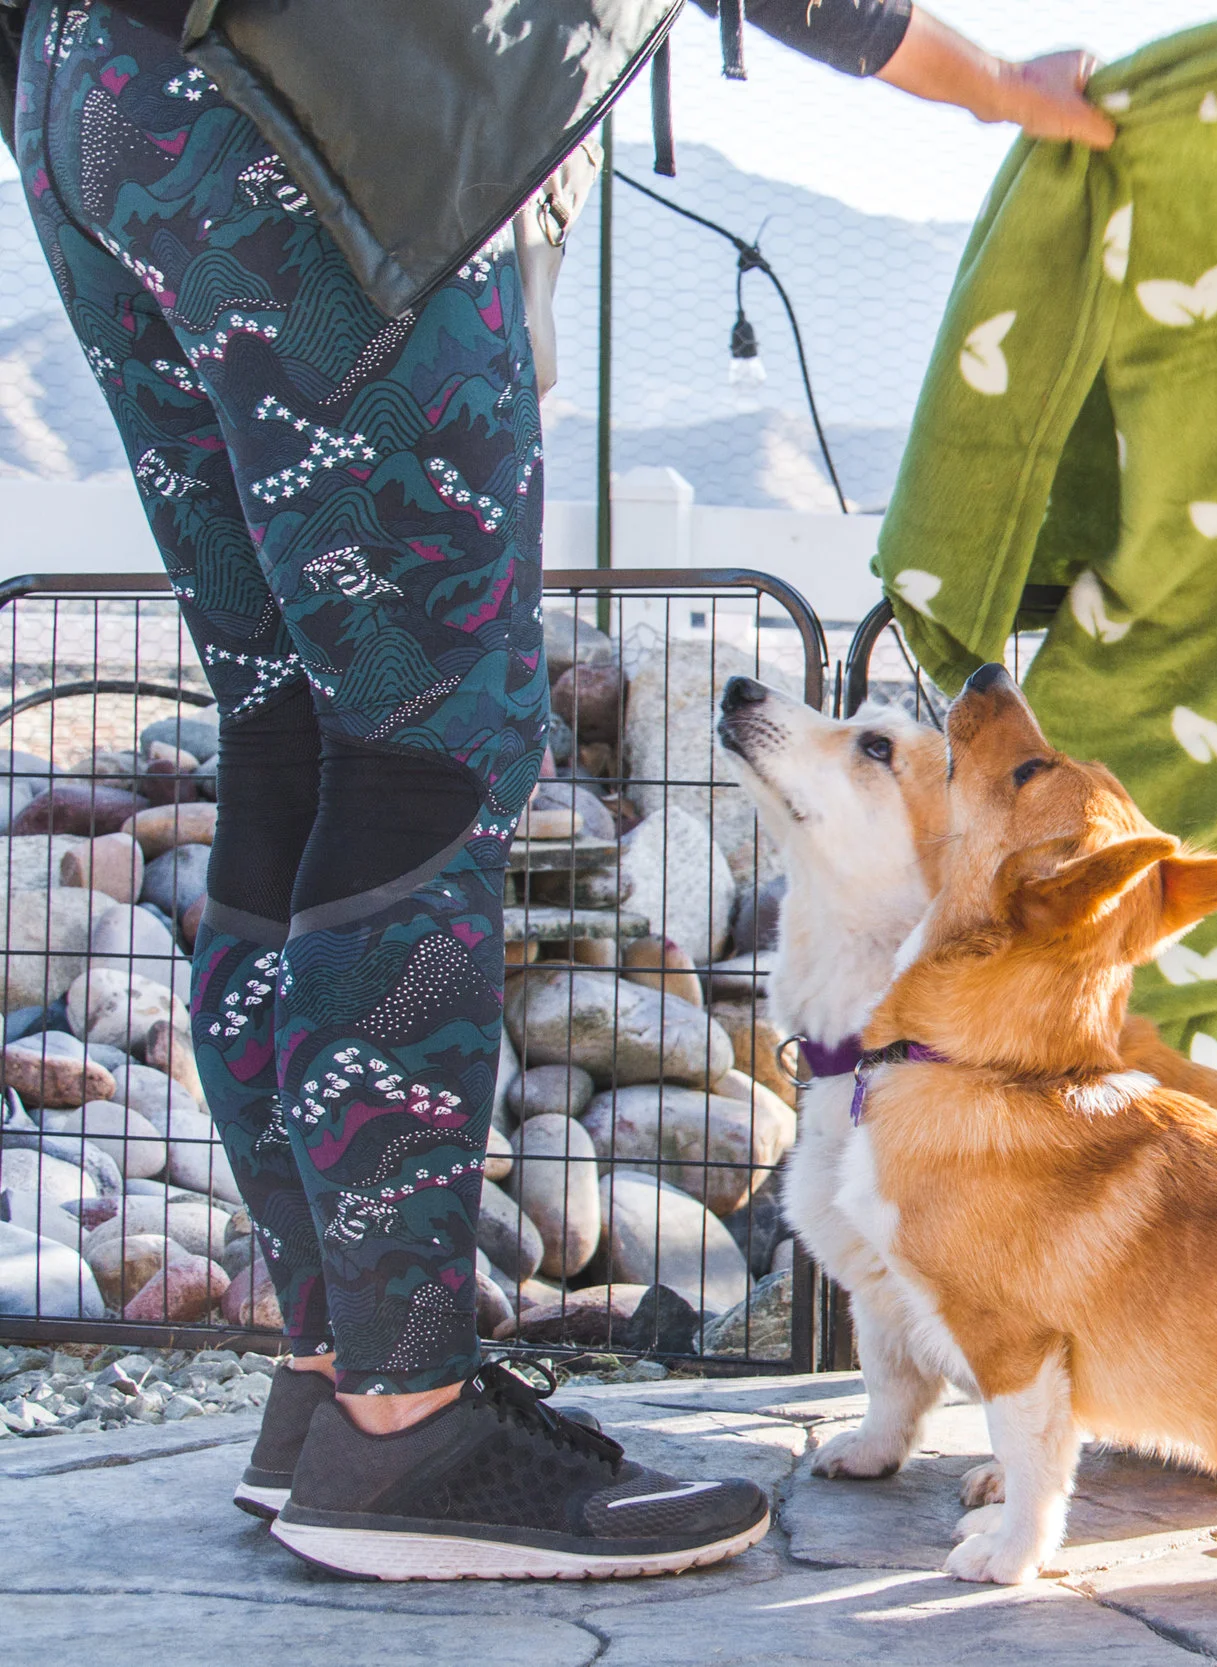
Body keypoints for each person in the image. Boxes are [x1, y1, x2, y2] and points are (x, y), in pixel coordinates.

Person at [10, 0, 1108, 1581]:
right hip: (320, 120)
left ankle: (339, 1383)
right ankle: (404, 1433)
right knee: (427, 754)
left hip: (98, 98)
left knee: (292, 735)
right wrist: (996, 83)